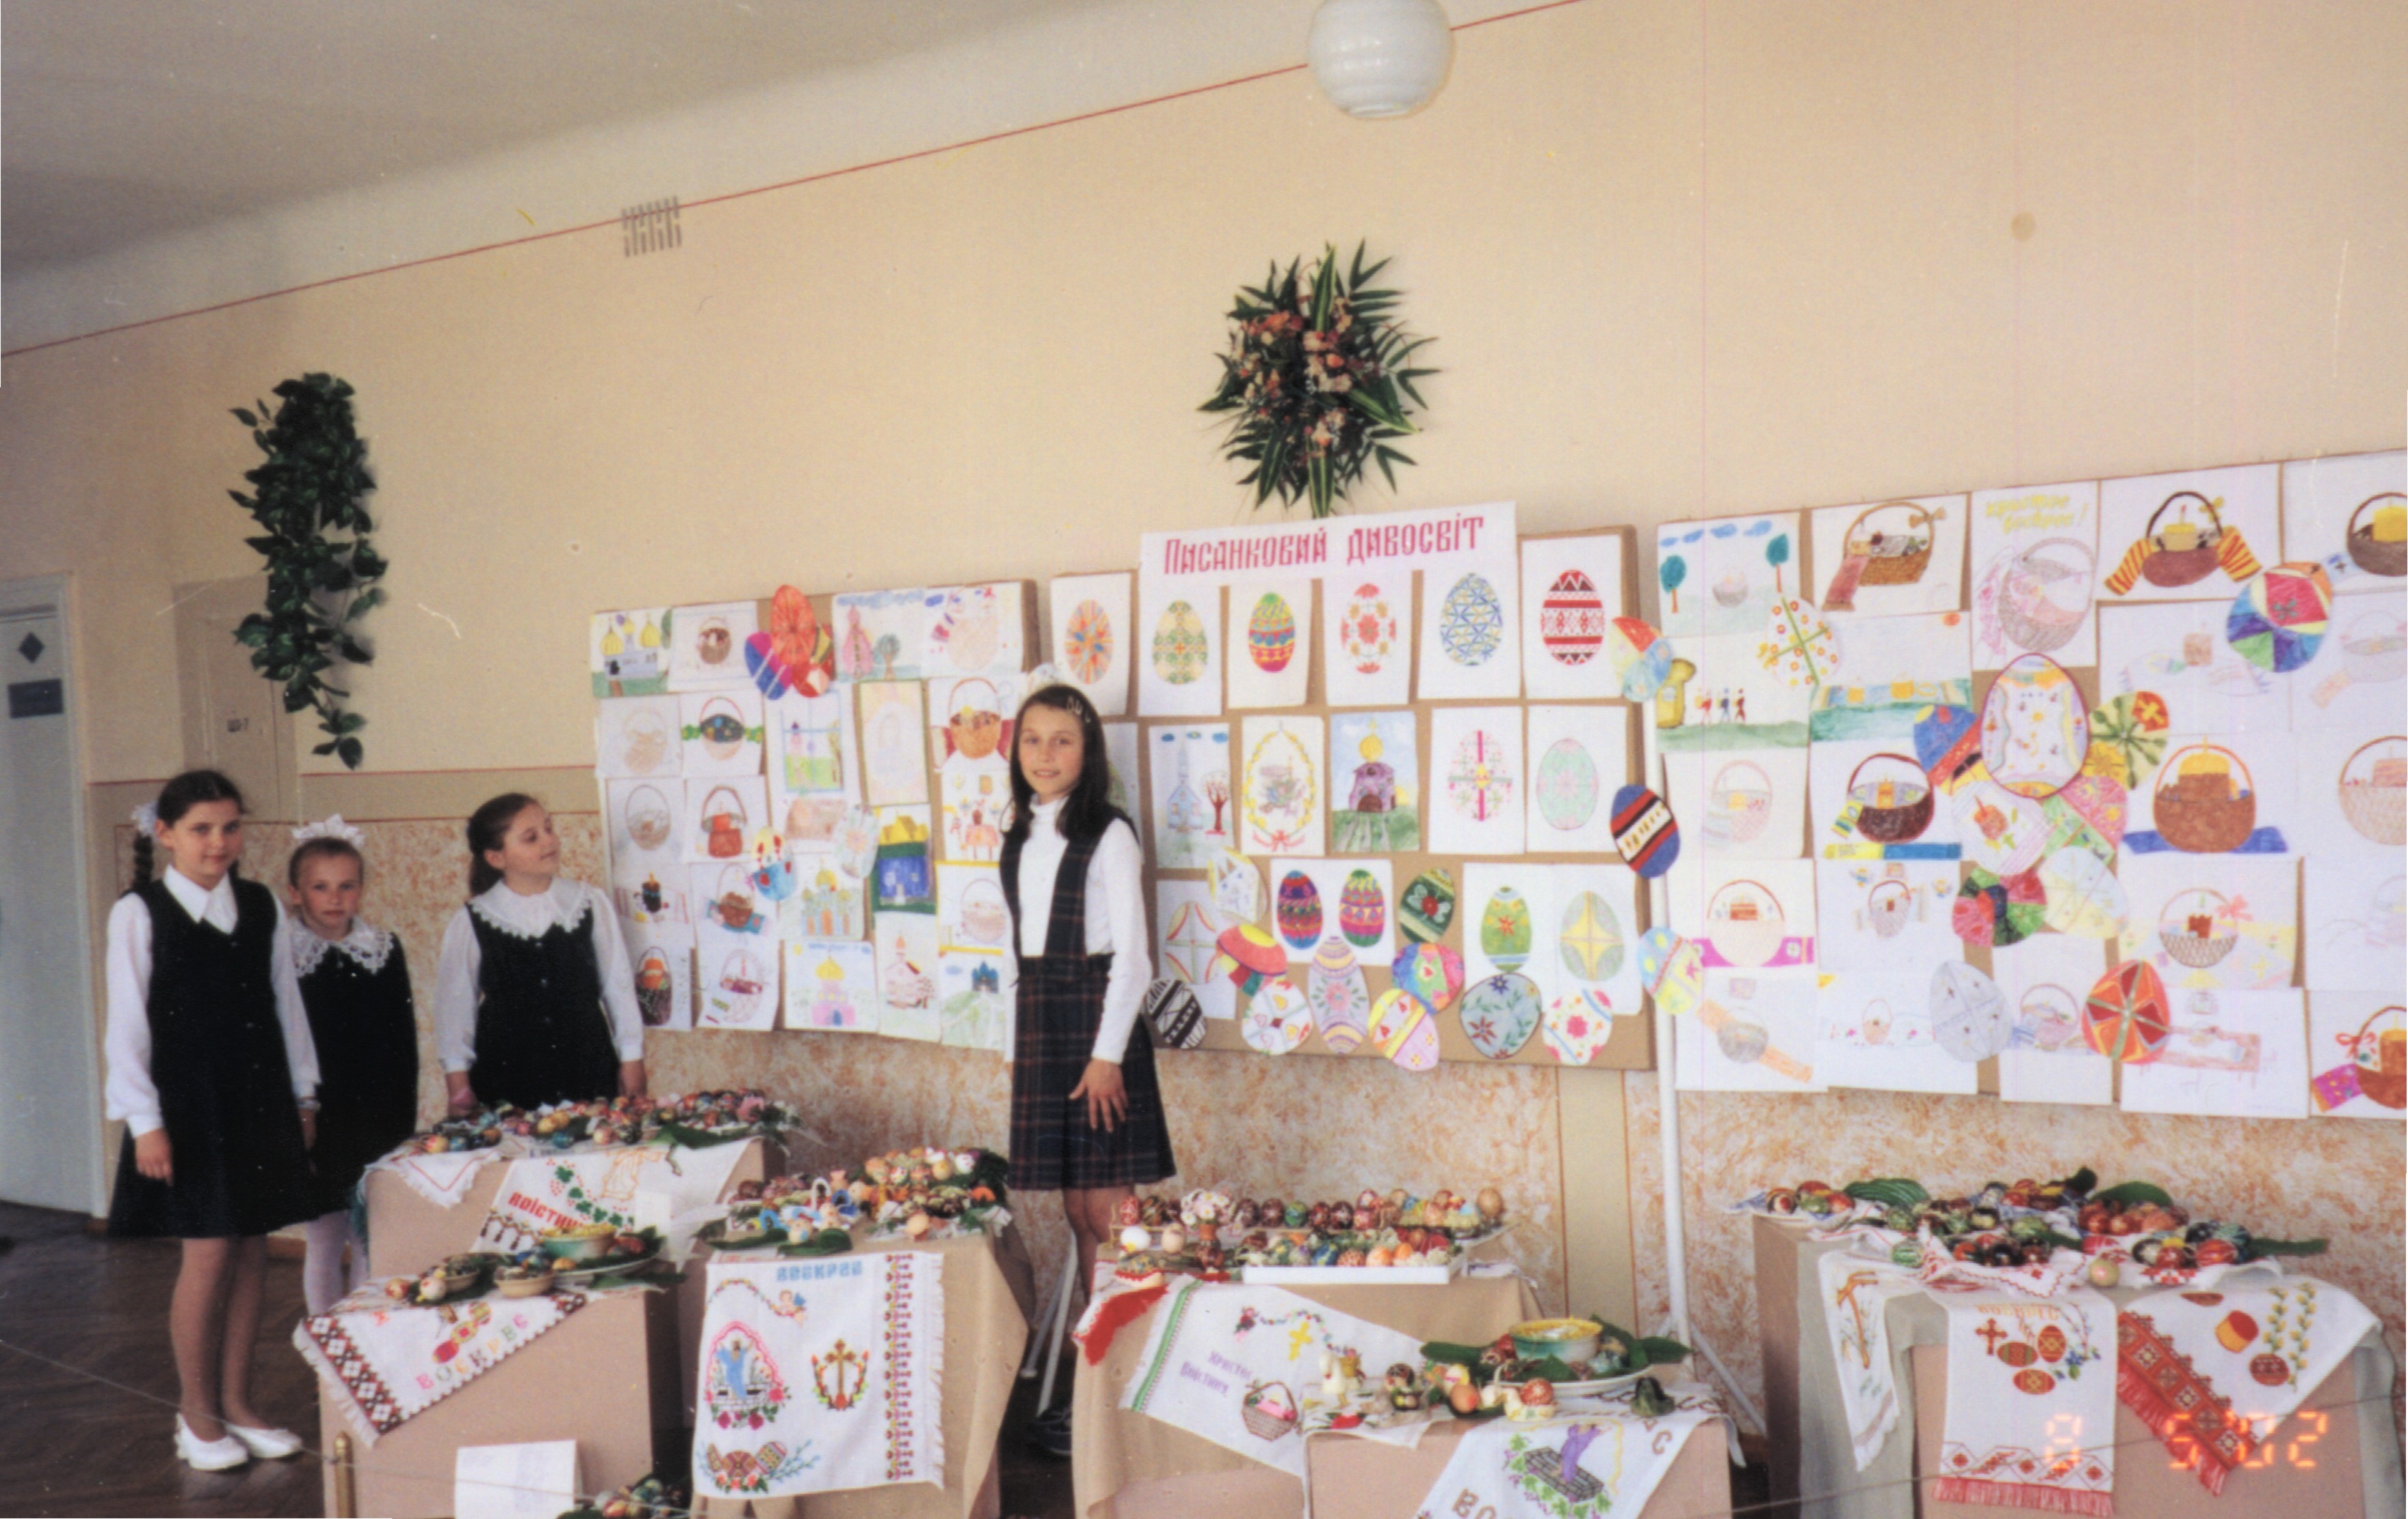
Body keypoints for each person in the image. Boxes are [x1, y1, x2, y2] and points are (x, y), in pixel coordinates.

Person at [103, 770, 318, 1471]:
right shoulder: (139, 913)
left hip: (257, 1098)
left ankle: (238, 1404)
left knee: (252, 1248)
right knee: (209, 1253)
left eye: (230, 827)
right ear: (165, 834)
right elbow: (126, 1028)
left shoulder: (260, 905)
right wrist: (144, 1121)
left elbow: (287, 1005)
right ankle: (196, 1415)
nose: (218, 842)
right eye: (200, 829)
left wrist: (304, 1096)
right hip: (187, 1106)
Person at [999, 686, 1175, 1456]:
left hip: (1100, 1028)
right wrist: (1017, 1046)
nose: (1045, 754)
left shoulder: (1109, 835)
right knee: (1080, 1215)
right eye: (1032, 740)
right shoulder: (1018, 834)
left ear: (1088, 750)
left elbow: (1132, 960)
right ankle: (1100, 1392)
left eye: (1062, 740)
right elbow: (1020, 955)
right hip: (1045, 1021)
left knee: (1113, 1218)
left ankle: (1128, 1392)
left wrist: (1108, 1056)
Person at [433, 794, 648, 1115]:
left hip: (587, 1068)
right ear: (496, 858)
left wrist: (632, 1058)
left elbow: (618, 986)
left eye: (548, 828)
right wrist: (458, 1084)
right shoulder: (473, 919)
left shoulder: (589, 903)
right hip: (507, 1078)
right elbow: (455, 1009)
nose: (549, 840)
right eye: (531, 837)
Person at [284, 816, 420, 1313]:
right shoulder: (285, 955)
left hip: (375, 1111)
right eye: (321, 887)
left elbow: (402, 1041)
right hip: (318, 1115)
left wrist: (402, 1121)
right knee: (324, 1237)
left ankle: (364, 1330)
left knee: (370, 1234)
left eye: (347, 886)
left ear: (361, 889)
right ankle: (326, 1334)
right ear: (296, 892)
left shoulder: (382, 950)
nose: (335, 898)